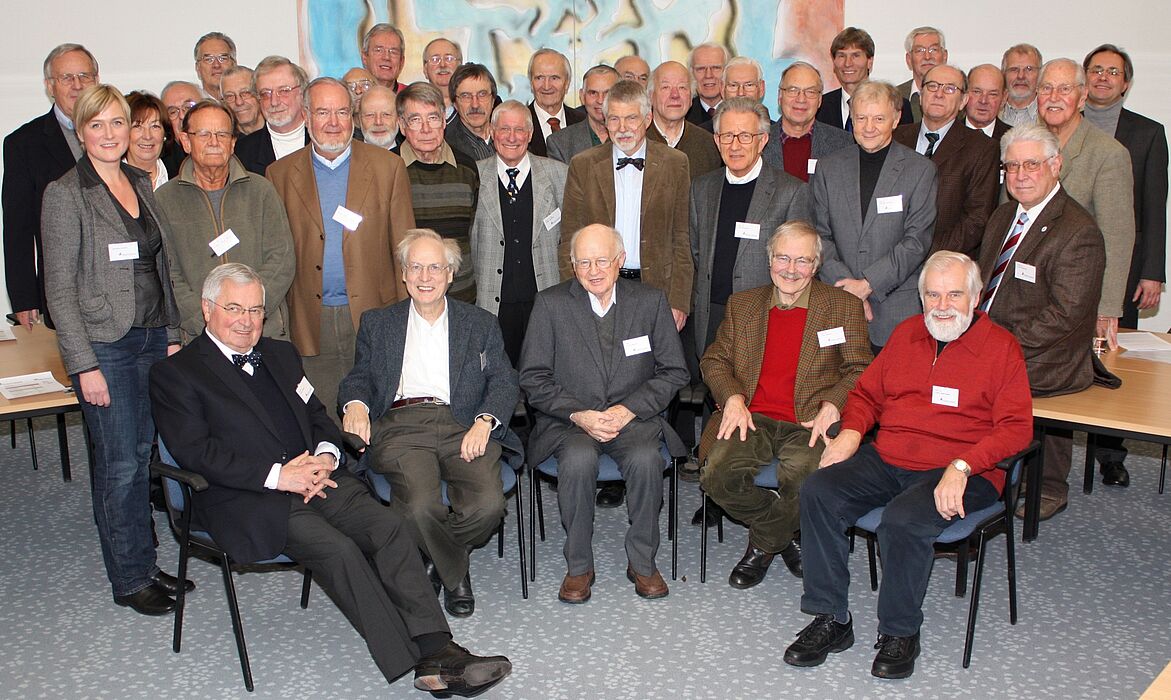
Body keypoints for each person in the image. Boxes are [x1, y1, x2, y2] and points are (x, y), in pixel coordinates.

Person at [149, 262, 513, 697]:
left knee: (388, 526)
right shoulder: (176, 373)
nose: (246, 321)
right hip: (249, 496)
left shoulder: (280, 355)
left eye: (256, 310)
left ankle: (437, 648)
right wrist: (279, 476)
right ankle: (428, 660)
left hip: (317, 477)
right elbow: (196, 452)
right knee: (338, 549)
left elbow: (318, 416)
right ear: (208, 309)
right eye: (234, 309)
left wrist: (325, 455)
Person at [784, 251, 1032, 679]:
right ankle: (831, 618)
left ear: (975, 298)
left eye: (954, 294)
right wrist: (852, 432)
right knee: (819, 490)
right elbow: (866, 395)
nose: (942, 305)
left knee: (902, 519)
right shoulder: (907, 334)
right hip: (891, 457)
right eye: (933, 295)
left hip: (965, 471)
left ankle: (900, 632)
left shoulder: (1001, 348)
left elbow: (1016, 429)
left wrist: (963, 465)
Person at [41, 84, 186, 616]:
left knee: (144, 456)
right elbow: (59, 290)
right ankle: (129, 578)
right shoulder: (65, 194)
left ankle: (144, 562)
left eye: (117, 123)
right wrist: (84, 366)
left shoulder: (141, 181)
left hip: (152, 337)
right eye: (96, 124)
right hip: (106, 346)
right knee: (119, 464)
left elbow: (162, 267)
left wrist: (172, 333)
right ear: (81, 132)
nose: (108, 134)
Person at [339, 230, 522, 618]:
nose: (425, 277)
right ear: (404, 274)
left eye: (435, 267)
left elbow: (504, 380)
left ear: (450, 274)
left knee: (489, 506)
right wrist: (354, 405)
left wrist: (485, 421)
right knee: (419, 505)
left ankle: (434, 560)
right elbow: (359, 377)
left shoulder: (480, 323)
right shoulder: (378, 323)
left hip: (464, 422)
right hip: (402, 425)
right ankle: (455, 575)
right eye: (416, 267)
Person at [519, 224, 690, 603]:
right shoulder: (550, 304)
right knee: (578, 461)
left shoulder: (650, 301)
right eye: (584, 262)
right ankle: (579, 566)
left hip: (634, 418)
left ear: (620, 260)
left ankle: (642, 561)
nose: (593, 271)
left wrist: (629, 410)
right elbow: (533, 377)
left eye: (602, 261)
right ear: (572, 265)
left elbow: (674, 371)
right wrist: (578, 414)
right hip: (570, 422)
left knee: (646, 460)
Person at [699, 222, 871, 588]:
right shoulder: (743, 304)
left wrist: (834, 404)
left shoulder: (843, 306)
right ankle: (787, 535)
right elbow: (714, 360)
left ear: (816, 264)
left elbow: (861, 368)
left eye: (802, 261)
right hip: (752, 417)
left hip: (809, 421)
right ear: (769, 260)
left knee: (807, 478)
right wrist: (732, 398)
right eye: (783, 258)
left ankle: (762, 547)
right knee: (716, 475)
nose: (791, 270)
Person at [977, 125, 1106, 521]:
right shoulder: (1003, 215)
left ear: (1055, 165)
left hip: (1045, 357)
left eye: (1031, 164)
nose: (1020, 175)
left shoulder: (1078, 231)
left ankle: (1047, 484)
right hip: (992, 338)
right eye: (1012, 166)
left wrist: (996, 348)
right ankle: (976, 476)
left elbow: (1065, 315)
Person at [267, 77, 415, 421]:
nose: (333, 123)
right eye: (323, 112)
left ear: (353, 116)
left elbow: (404, 251)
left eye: (342, 112)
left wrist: (404, 320)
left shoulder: (388, 167)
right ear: (306, 117)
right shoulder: (279, 174)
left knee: (379, 418)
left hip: (375, 316)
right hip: (310, 321)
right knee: (322, 421)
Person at [1082, 43, 1169, 488]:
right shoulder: (1064, 125)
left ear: (1126, 83)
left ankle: (1110, 455)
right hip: (1071, 263)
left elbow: (1154, 206)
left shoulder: (1147, 133)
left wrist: (1153, 271)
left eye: (1112, 72)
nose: (1103, 77)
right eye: (1096, 70)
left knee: (1112, 361)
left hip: (1123, 267)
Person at [811, 80, 937, 350]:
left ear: (896, 119)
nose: (869, 127)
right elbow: (819, 235)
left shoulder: (920, 170)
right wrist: (848, 289)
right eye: (861, 118)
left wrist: (868, 285)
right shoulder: (828, 168)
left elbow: (916, 242)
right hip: (838, 303)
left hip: (895, 310)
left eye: (879, 118)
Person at [155, 100, 295, 342]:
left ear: (232, 143)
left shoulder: (261, 191)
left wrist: (250, 313)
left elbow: (281, 259)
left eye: (222, 134)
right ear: (186, 141)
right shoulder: (165, 200)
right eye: (204, 134)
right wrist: (209, 320)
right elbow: (168, 274)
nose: (214, 142)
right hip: (200, 336)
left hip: (264, 333)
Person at [561, 79, 693, 329]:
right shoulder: (583, 164)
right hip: (598, 286)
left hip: (657, 288)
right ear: (605, 120)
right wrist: (574, 297)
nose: (622, 128)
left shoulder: (675, 163)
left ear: (647, 119)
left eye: (631, 118)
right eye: (614, 119)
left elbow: (682, 237)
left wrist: (679, 301)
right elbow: (570, 238)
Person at [690, 98, 810, 370]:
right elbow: (697, 250)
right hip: (711, 316)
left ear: (763, 140)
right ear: (717, 140)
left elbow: (800, 266)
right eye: (727, 136)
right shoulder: (701, 188)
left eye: (745, 136)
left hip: (764, 318)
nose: (735, 146)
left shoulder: (791, 192)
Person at [1038, 58, 1134, 352]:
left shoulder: (1108, 154)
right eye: (1046, 88)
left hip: (1077, 297)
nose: (1054, 97)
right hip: (1028, 294)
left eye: (1064, 89)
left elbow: (1117, 237)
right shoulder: (1023, 144)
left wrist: (1106, 309)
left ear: (1082, 98)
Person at [470, 100, 569, 366]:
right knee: (496, 374)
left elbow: (571, 238)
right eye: (504, 129)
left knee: (544, 372)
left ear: (530, 134)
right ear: (492, 132)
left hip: (544, 299)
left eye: (519, 130)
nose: (511, 137)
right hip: (493, 302)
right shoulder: (474, 175)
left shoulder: (558, 175)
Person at [893, 65, 1000, 259]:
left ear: (963, 101)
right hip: (889, 259)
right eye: (932, 86)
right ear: (921, 95)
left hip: (945, 263)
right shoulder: (895, 138)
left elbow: (977, 220)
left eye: (950, 88)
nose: (939, 94)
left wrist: (920, 253)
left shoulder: (982, 148)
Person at [397, 82, 480, 303]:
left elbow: (474, 231)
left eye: (433, 118)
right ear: (402, 126)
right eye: (416, 120)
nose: (426, 129)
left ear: (444, 121)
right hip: (408, 297)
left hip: (462, 294)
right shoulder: (388, 169)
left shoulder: (467, 168)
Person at [762, 61, 854, 181]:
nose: (801, 99)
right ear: (780, 96)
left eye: (810, 92)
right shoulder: (758, 142)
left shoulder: (843, 144)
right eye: (793, 90)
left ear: (819, 100)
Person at [816, 28, 913, 131]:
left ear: (870, 62)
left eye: (855, 56)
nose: (847, 63)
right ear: (834, 62)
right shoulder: (820, 106)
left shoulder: (896, 104)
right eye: (841, 56)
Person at [235, 56, 310, 175]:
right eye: (265, 94)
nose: (274, 102)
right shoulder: (242, 152)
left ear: (302, 93)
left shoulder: (322, 139)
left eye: (284, 91)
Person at [647, 61, 722, 179]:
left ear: (691, 98)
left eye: (682, 87)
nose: (675, 95)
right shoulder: (637, 140)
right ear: (651, 96)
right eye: (666, 87)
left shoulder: (709, 145)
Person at [546, 64, 619, 164]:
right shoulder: (559, 143)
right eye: (593, 93)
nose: (600, 100)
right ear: (582, 96)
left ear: (622, 97)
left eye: (608, 93)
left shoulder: (635, 137)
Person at [526, 48, 584, 157]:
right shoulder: (518, 125)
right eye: (539, 78)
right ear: (531, 83)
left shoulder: (583, 122)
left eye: (554, 78)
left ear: (567, 83)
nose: (546, 86)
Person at [445, 63, 498, 161]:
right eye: (466, 96)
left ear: (493, 100)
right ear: (455, 104)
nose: (475, 104)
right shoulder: (446, 147)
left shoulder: (511, 137)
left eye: (482, 94)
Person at [897, 27, 947, 121]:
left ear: (945, 56)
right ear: (909, 59)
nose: (927, 57)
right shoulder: (894, 96)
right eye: (920, 50)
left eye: (933, 50)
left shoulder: (957, 95)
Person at [123, 91, 169, 190]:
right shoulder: (109, 180)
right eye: (137, 126)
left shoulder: (180, 175)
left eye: (155, 126)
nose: (147, 136)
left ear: (164, 134)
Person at [1000, 44, 1043, 128]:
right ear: (1003, 74)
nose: (1021, 76)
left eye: (1029, 69)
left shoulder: (1050, 115)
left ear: (1040, 74)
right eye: (1014, 69)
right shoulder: (990, 114)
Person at [685, 43, 728, 124]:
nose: (708, 75)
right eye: (700, 69)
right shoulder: (682, 116)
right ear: (691, 73)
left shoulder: (743, 110)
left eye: (716, 68)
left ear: (727, 71)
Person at [964, 64, 1011, 139]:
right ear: (964, 94)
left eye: (992, 94)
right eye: (977, 92)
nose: (983, 101)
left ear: (1004, 98)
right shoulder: (947, 133)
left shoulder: (1014, 138)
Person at [422, 38, 462, 121]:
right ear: (425, 70)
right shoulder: (414, 108)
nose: (442, 65)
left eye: (449, 58)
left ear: (460, 66)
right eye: (435, 59)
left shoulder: (473, 105)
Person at [361, 24, 407, 93]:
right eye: (379, 50)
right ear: (365, 57)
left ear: (401, 62)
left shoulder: (412, 97)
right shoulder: (353, 96)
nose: (386, 57)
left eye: (393, 52)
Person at [220, 65, 264, 136]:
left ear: (259, 93)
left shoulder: (279, 130)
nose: (239, 102)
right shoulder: (224, 139)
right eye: (230, 96)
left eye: (245, 93)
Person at [193, 31, 237, 99]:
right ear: (198, 68)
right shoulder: (193, 104)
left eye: (222, 58)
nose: (216, 65)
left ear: (234, 65)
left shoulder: (248, 103)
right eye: (208, 59)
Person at [358, 85, 401, 150]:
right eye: (370, 115)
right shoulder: (349, 155)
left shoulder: (411, 154)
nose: (378, 122)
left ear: (398, 118)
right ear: (360, 119)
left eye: (386, 114)